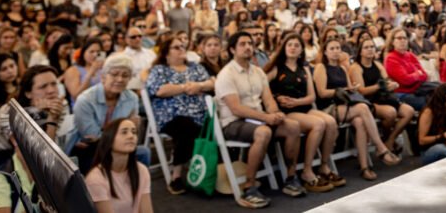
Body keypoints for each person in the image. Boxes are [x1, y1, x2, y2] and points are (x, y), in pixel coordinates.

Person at [215, 32, 304, 205]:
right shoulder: (226, 74)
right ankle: (249, 188)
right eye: (242, 44)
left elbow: (268, 99)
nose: (248, 47)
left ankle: (291, 178)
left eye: (250, 43)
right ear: (232, 49)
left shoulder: (257, 71)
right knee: (263, 133)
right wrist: (266, 117)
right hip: (233, 122)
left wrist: (275, 113)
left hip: (257, 118)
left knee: (293, 126)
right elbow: (236, 108)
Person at [263, 33, 340, 193]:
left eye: (296, 45)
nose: (293, 48)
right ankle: (307, 170)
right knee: (318, 124)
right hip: (287, 111)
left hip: (303, 107)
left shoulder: (304, 69)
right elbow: (261, 86)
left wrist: (297, 101)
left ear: (301, 50)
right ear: (284, 48)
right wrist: (276, 97)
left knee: (331, 122)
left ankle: (324, 166)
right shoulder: (276, 68)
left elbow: (312, 96)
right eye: (289, 44)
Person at [313, 38, 400, 182]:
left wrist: (351, 88)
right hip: (328, 108)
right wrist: (340, 90)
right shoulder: (321, 67)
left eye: (338, 48)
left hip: (345, 105)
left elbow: (349, 90)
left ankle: (364, 167)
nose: (335, 52)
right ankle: (381, 147)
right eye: (332, 49)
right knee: (363, 108)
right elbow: (322, 92)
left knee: (360, 121)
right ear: (325, 52)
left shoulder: (342, 68)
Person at [144, 34, 213, 194]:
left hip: (200, 114)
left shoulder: (195, 67)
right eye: (177, 47)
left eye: (183, 46)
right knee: (187, 127)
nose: (182, 49)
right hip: (171, 117)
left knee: (214, 124)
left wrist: (199, 85)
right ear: (166, 52)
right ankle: (176, 175)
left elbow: (212, 83)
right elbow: (160, 90)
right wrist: (184, 88)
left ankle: (209, 171)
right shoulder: (159, 70)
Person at [71, 55, 149, 172]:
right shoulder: (85, 100)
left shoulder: (131, 98)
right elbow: (92, 137)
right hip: (89, 150)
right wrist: (125, 130)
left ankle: (137, 189)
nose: (120, 79)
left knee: (143, 152)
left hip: (116, 146)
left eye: (125, 75)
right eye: (114, 74)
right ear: (103, 77)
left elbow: (131, 135)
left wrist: (131, 130)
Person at [0, 65, 69, 170]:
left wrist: (52, 119)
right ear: (28, 93)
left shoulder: (60, 105)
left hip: (41, 159)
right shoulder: (8, 111)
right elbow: (28, 150)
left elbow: (47, 153)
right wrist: (34, 115)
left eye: (53, 84)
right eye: (43, 87)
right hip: (4, 161)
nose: (51, 90)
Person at [348, 37, 414, 157]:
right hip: (368, 101)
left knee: (409, 111)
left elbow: (387, 80)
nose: (370, 50)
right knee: (391, 113)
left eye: (372, 47)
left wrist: (392, 84)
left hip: (384, 98)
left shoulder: (378, 65)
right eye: (366, 47)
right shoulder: (356, 68)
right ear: (360, 51)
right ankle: (387, 141)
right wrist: (379, 86)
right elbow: (361, 91)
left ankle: (389, 141)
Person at [84, 118, 153, 213]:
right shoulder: (95, 180)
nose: (131, 136)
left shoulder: (141, 170)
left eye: (134, 132)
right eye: (124, 132)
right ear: (109, 139)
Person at [383, 28, 431, 111]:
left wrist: (415, 76)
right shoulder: (391, 58)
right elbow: (406, 80)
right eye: (399, 38)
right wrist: (417, 74)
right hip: (403, 94)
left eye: (405, 38)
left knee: (440, 92)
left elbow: (425, 75)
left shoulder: (410, 55)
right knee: (430, 101)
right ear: (392, 41)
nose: (403, 41)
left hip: (418, 90)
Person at [63, 37, 104, 105]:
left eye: (98, 52)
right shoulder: (73, 70)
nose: (95, 55)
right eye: (91, 51)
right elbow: (77, 96)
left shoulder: (102, 69)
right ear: (83, 52)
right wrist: (91, 72)